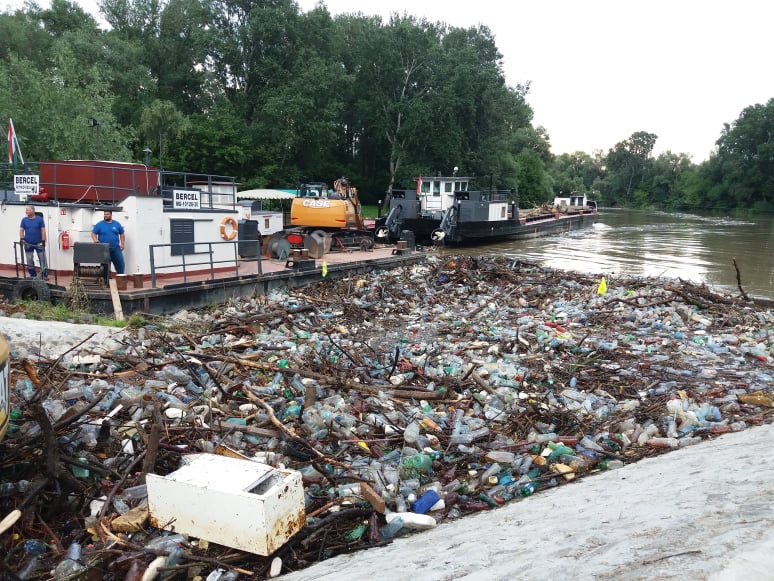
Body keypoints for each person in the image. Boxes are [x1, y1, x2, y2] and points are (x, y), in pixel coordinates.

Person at [91, 210, 126, 275]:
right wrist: (95, 240)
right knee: (105, 266)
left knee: (121, 264)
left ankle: (121, 279)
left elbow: (122, 234)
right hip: (104, 249)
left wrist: (123, 244)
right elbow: (93, 233)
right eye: (105, 214)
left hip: (115, 249)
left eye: (107, 214)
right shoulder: (99, 224)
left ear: (111, 215)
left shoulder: (117, 224)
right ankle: (106, 280)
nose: (105, 216)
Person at [19, 205, 48, 280]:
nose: (26, 212)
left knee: (42, 259)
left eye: (28, 210)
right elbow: (21, 230)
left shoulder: (39, 219)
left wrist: (43, 241)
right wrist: (22, 239)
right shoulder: (24, 220)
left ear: (33, 211)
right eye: (26, 210)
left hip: (38, 243)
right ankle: (33, 275)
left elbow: (43, 230)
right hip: (28, 243)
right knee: (29, 259)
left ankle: (44, 275)